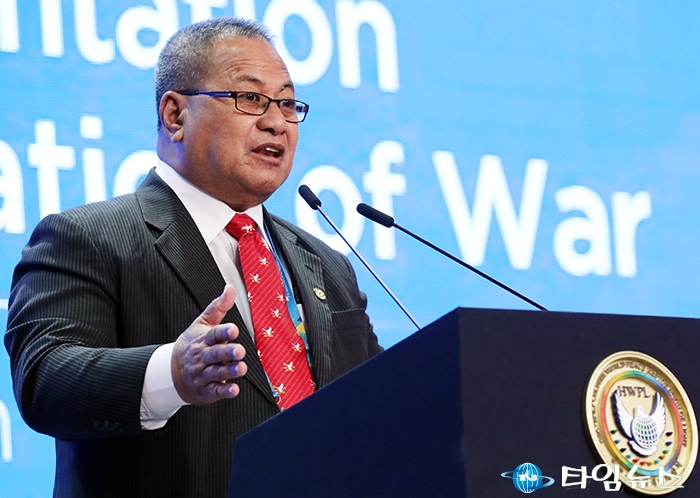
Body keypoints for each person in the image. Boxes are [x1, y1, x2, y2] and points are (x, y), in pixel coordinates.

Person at [4, 17, 382, 498]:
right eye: (250, 98)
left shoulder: (327, 263)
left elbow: (381, 403)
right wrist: (172, 374)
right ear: (175, 115)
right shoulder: (87, 238)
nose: (276, 122)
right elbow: (45, 380)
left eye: (287, 103)